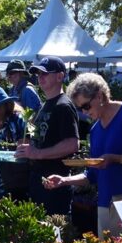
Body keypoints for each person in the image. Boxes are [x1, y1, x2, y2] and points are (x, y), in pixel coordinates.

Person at [44, 73, 122, 236]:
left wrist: (115, 158)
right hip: (106, 204)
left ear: (99, 96)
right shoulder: (95, 130)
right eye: (80, 108)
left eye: (86, 106)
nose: (84, 112)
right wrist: (64, 180)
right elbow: (93, 175)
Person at [16, 57, 79, 215]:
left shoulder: (63, 106)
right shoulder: (45, 105)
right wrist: (27, 146)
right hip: (40, 180)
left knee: (54, 232)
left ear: (60, 76)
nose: (40, 77)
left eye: (45, 73)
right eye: (38, 73)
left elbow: (73, 144)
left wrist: (37, 153)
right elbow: (39, 136)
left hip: (55, 182)